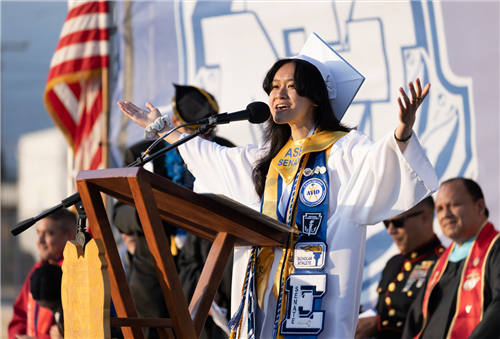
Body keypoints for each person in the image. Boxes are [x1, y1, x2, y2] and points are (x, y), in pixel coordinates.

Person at [117, 33, 437, 339]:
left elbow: (380, 167)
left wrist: (402, 133)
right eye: (273, 87)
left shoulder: (343, 150)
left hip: (318, 301)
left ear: (315, 97)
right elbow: (209, 157)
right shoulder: (266, 161)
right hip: (265, 304)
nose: (278, 94)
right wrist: (163, 128)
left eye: (291, 87)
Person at [113, 84, 234, 339]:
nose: (203, 138)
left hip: (209, 264)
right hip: (153, 267)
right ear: (175, 120)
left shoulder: (224, 150)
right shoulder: (140, 153)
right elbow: (119, 214)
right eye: (194, 130)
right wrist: (152, 210)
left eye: (208, 131)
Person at [402, 178, 500, 339]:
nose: (445, 214)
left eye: (454, 205)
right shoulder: (440, 263)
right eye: (439, 209)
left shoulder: (495, 249)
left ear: (480, 206)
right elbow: (415, 319)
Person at [355, 196, 444, 339]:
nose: (390, 230)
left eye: (397, 222)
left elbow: (438, 321)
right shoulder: (394, 263)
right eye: (386, 223)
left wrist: (381, 325)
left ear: (425, 218)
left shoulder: (444, 263)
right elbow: (381, 310)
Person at [8, 209, 76, 339]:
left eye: (49, 233)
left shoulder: (75, 273)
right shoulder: (37, 269)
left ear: (70, 235)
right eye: (38, 233)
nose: (39, 240)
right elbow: (20, 314)